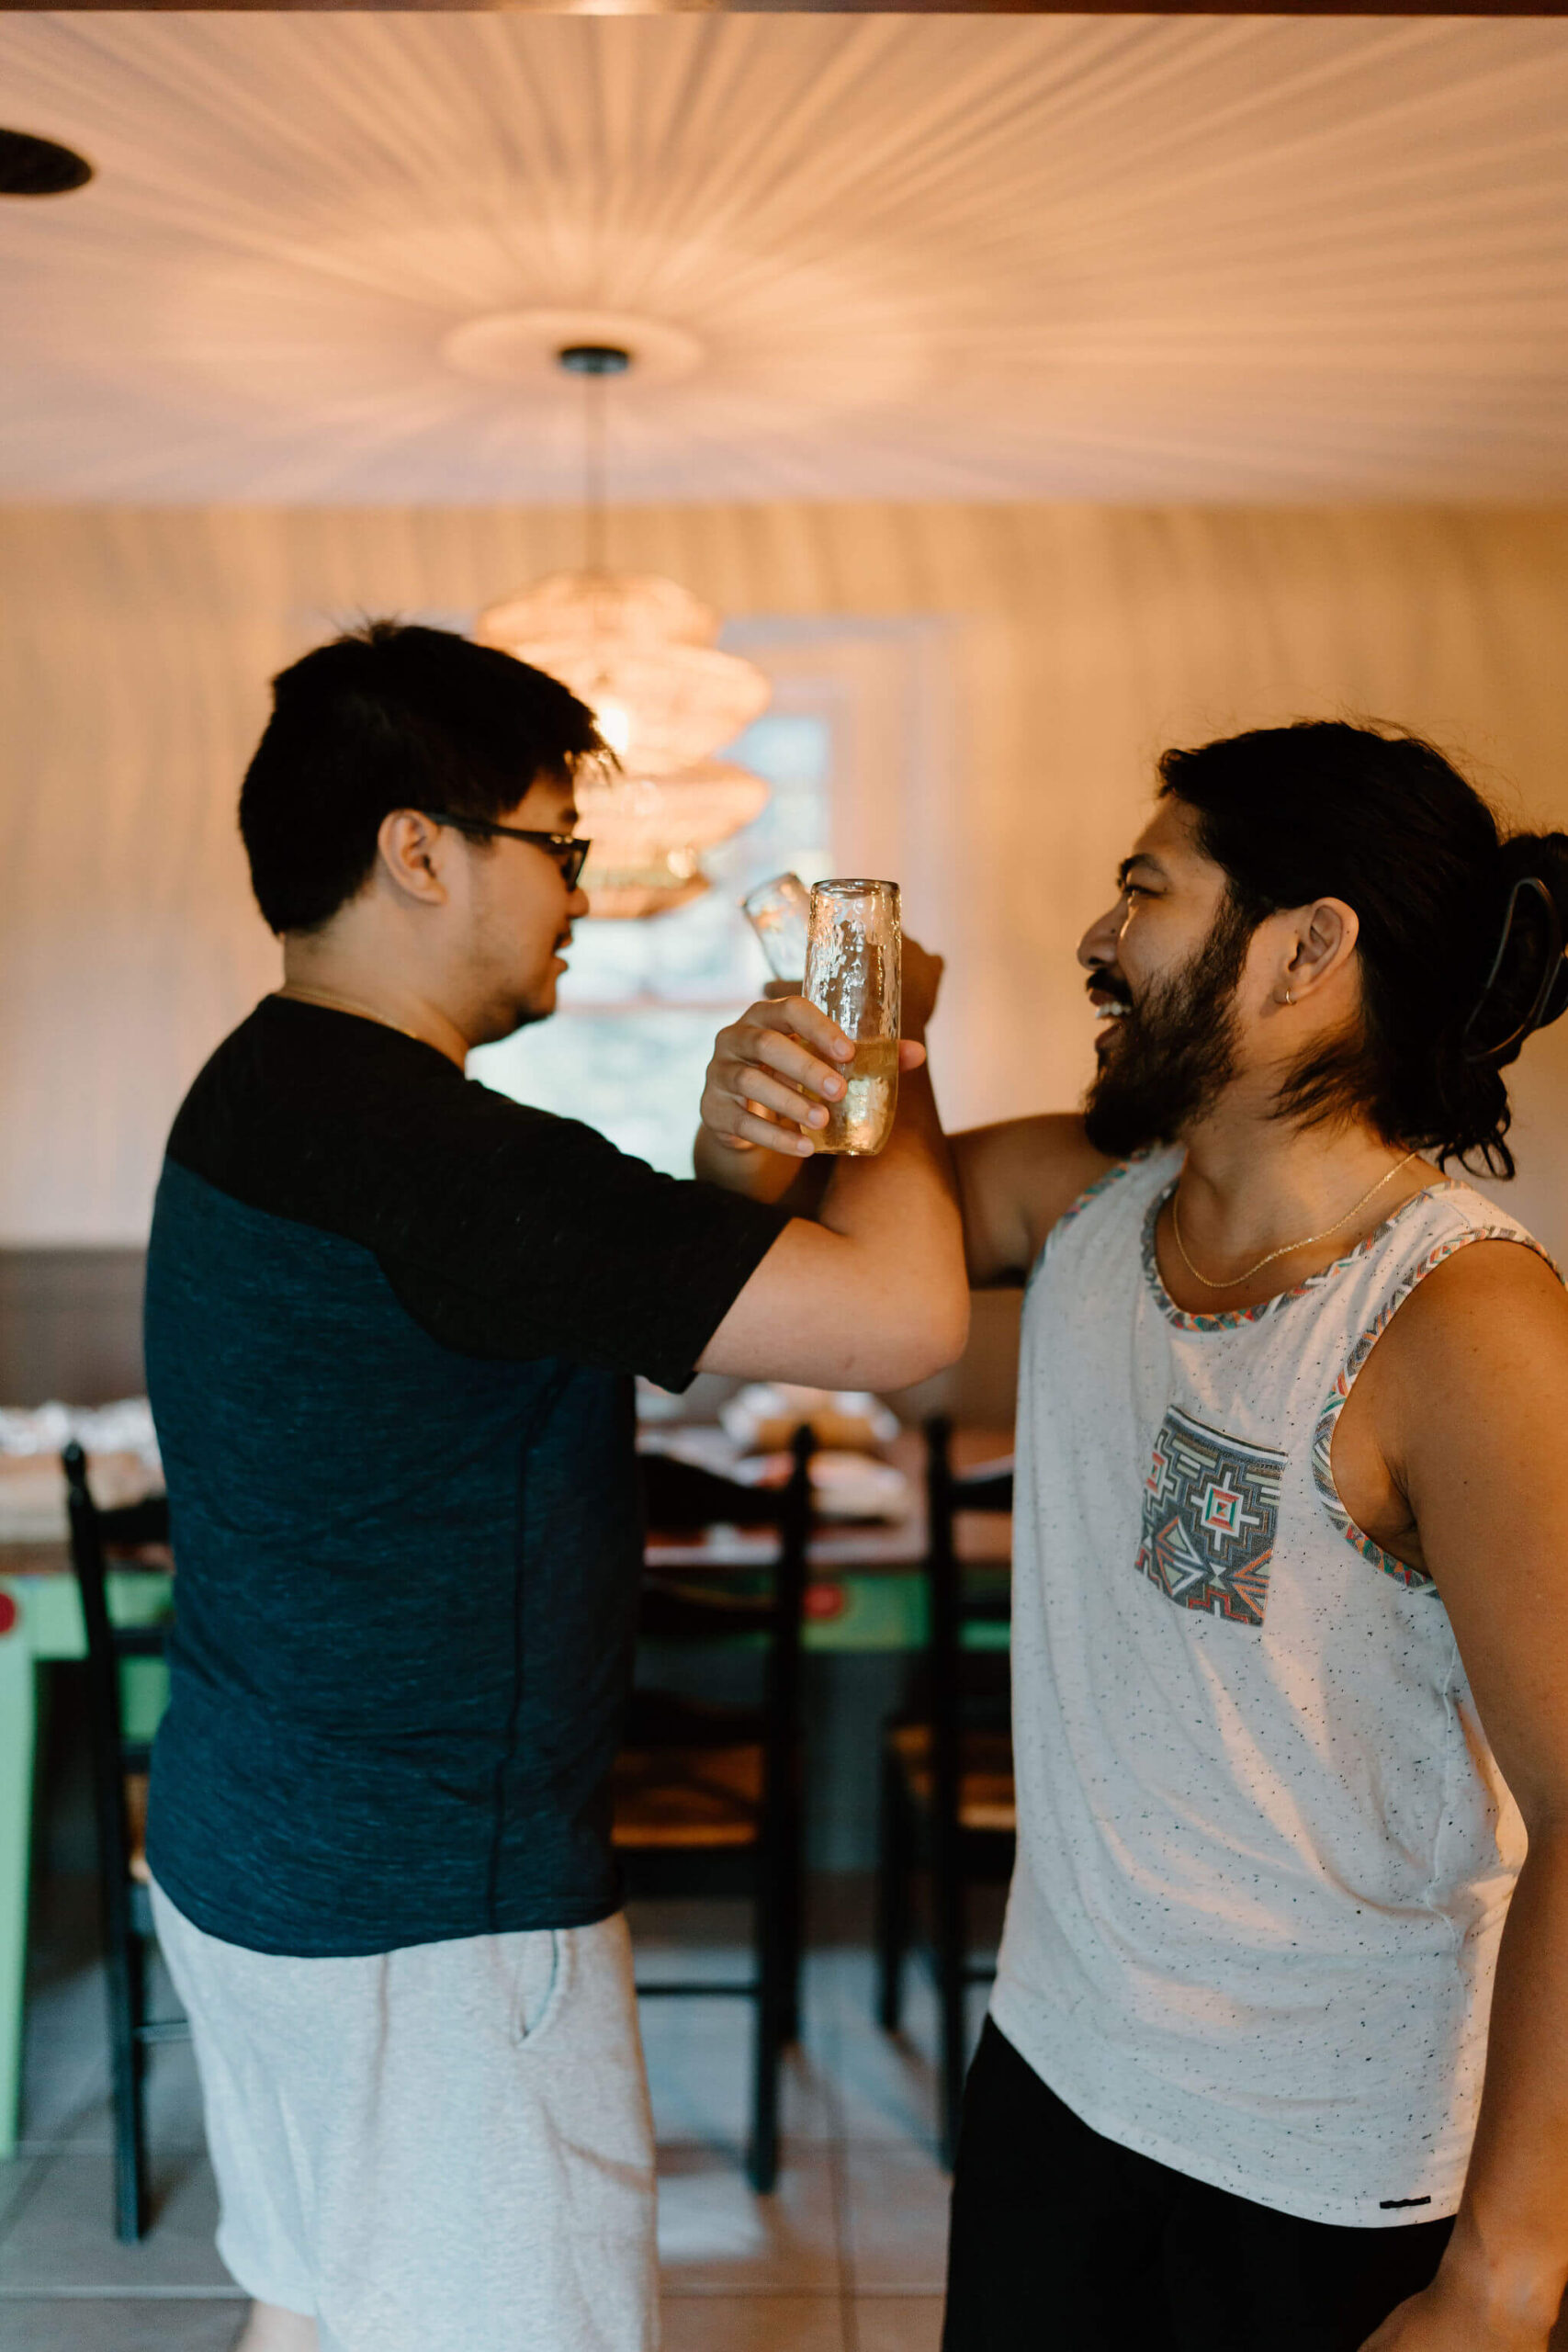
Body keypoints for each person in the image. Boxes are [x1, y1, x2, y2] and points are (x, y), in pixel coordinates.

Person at [142, 619, 968, 2352]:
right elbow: (901, 1320)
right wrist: (883, 1037)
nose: (588, 891)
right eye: (559, 845)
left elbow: (621, 1272)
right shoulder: (452, 1163)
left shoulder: (259, 1084)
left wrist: (739, 1152)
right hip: (432, 1916)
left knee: (315, 2301)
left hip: (247, 1845)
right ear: (421, 849)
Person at [701, 721, 1568, 2352]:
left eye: (1143, 893)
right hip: (1056, 2066)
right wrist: (802, 1066)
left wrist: (1506, 2278)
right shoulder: (1087, 1202)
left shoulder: (1461, 1319)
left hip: (1325, 2153)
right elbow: (816, 1254)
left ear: (1310, 948)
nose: (1099, 941)